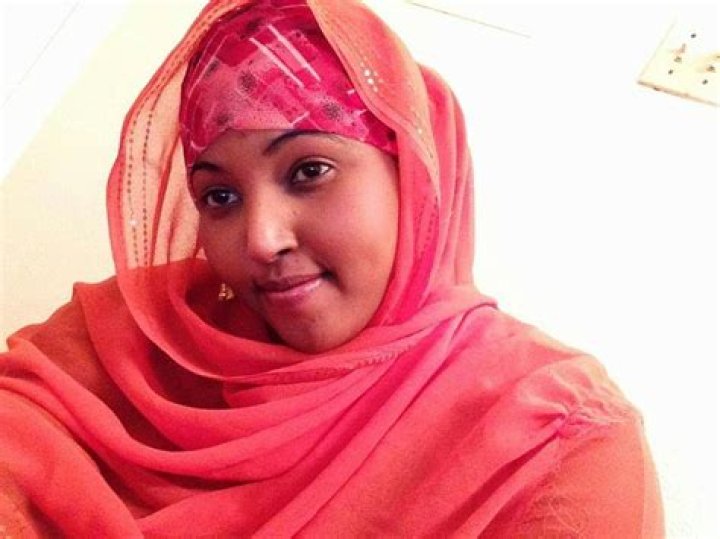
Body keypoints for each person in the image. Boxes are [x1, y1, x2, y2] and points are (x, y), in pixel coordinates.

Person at [0, 0, 663, 536]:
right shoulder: (132, 342)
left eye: (308, 170)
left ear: (414, 171)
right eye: (219, 196)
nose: (260, 239)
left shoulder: (553, 434)